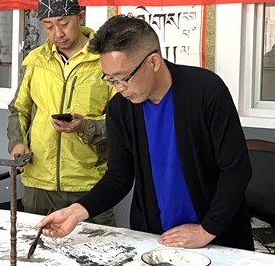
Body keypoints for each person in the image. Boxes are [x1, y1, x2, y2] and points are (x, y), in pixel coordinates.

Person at [38, 14, 253, 250]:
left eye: (123, 78)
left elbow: (236, 169)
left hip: (217, 237)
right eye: (111, 80)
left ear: (153, 62)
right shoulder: (120, 108)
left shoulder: (205, 91)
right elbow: (119, 177)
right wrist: (75, 212)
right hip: (154, 237)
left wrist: (206, 230)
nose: (119, 88)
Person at [7, 0, 115, 222]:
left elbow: (122, 122)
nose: (57, 33)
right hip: (39, 182)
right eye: (48, 26)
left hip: (89, 182)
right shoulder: (35, 60)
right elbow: (19, 109)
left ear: (80, 17)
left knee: (97, 244)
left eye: (64, 23)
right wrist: (17, 143)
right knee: (36, 243)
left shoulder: (105, 60)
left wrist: (85, 126)